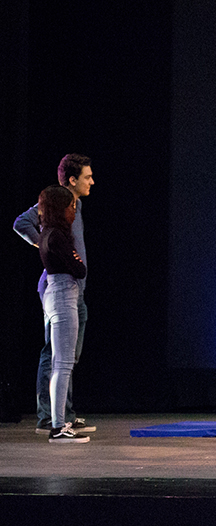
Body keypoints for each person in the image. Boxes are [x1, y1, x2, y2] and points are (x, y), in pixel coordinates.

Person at [13, 154, 95, 436]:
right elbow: (20, 223)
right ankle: (50, 418)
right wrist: (45, 244)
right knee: (56, 355)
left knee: (69, 357)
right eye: (87, 177)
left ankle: (65, 415)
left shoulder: (76, 205)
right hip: (58, 286)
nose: (91, 182)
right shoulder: (54, 205)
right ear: (72, 180)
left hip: (75, 288)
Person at [34, 185, 88, 443]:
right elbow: (79, 269)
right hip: (63, 294)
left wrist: (76, 261)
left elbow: (76, 264)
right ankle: (58, 427)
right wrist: (76, 260)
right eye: (70, 207)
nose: (73, 212)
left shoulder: (47, 233)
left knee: (60, 363)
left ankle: (59, 423)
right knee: (63, 364)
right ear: (59, 209)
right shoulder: (57, 236)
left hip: (55, 294)